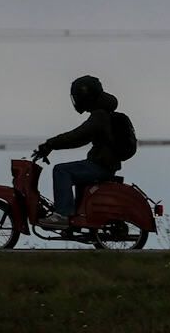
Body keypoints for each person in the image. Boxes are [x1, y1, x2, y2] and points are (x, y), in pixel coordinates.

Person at [35, 75, 122, 229]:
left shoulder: (99, 116)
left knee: (61, 171)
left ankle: (63, 215)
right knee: (70, 171)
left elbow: (78, 135)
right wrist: (52, 146)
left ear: (85, 96)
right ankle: (74, 213)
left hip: (100, 165)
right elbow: (80, 140)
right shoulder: (103, 114)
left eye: (78, 96)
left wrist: (50, 144)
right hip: (105, 164)